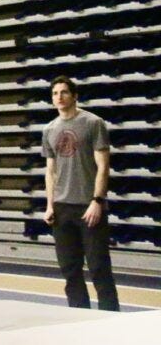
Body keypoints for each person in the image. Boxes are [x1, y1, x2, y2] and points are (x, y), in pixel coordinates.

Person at [42, 76, 119, 312]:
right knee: (70, 270)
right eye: (55, 93)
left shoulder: (93, 123)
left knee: (98, 268)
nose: (59, 97)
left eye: (64, 92)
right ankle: (79, 318)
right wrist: (50, 205)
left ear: (74, 96)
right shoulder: (49, 129)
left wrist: (97, 200)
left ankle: (111, 320)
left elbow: (103, 166)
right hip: (62, 208)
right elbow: (50, 171)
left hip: (88, 206)